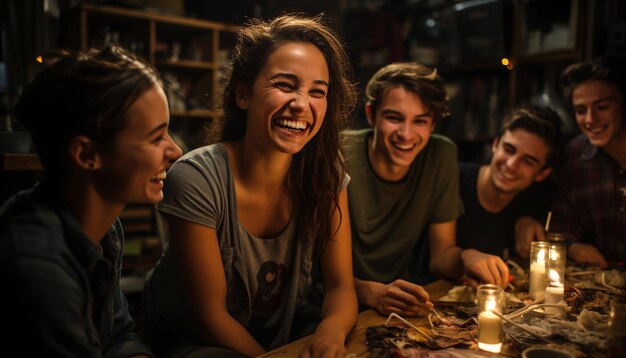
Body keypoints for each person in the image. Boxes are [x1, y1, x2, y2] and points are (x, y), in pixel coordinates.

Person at [142, 14, 358, 357]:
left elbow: (341, 285)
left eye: (317, 92)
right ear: (243, 94)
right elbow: (211, 317)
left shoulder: (325, 172)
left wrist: (330, 333)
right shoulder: (196, 178)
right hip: (191, 341)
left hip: (274, 336)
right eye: (285, 85)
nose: (301, 104)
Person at [0, 45, 182, 356]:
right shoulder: (37, 266)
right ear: (86, 155)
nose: (175, 151)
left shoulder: (105, 229)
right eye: (156, 137)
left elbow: (117, 332)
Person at [343, 62, 509, 318]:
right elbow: (311, 273)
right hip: (336, 303)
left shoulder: (441, 154)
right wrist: (371, 293)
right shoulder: (340, 153)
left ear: (432, 125)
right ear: (371, 114)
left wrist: (469, 256)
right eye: (394, 117)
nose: (406, 134)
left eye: (420, 121)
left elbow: (440, 256)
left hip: (400, 305)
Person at [457, 105, 563, 260]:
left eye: (527, 161)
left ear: (542, 174)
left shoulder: (537, 201)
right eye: (509, 149)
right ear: (495, 144)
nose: (511, 165)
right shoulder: (454, 177)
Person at [550, 56, 626, 268]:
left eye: (602, 107)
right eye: (581, 111)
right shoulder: (573, 158)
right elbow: (560, 229)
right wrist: (572, 247)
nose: (590, 119)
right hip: (599, 285)